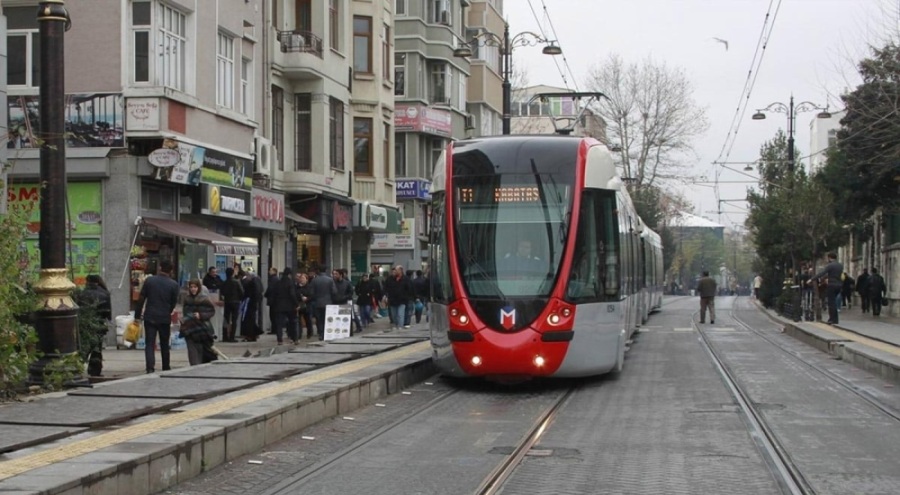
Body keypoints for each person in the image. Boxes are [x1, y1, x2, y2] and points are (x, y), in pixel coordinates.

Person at [134, 259, 180, 374]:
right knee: (164, 343)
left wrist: (137, 315)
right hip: (164, 317)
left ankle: (150, 368)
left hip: (150, 316)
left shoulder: (150, 281)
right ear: (171, 271)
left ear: (160, 268)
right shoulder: (173, 284)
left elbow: (141, 299)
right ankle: (166, 366)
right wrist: (168, 311)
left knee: (150, 343)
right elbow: (173, 302)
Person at [78, 274, 112, 377]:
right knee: (97, 348)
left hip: (84, 323)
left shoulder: (81, 294)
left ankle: (77, 366)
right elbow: (107, 312)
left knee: (84, 347)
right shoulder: (104, 293)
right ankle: (95, 370)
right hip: (98, 323)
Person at [180, 279, 217, 365]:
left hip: (202, 328)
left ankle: (199, 367)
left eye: (195, 287)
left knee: (202, 350)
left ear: (199, 288)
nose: (193, 289)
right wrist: (184, 319)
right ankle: (194, 366)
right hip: (189, 328)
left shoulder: (204, 299)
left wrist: (201, 315)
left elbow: (211, 311)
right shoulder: (187, 299)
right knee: (192, 350)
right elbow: (185, 311)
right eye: (191, 287)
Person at [808, 252, 843, 325]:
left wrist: (812, 279)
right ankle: (836, 319)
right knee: (834, 302)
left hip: (832, 285)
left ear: (829, 258)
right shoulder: (840, 265)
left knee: (831, 302)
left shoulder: (830, 265)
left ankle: (832, 319)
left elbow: (822, 273)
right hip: (839, 285)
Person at [271, 268, 300, 344]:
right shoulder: (290, 283)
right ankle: (295, 339)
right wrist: (296, 304)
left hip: (279, 306)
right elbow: (292, 294)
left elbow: (274, 295)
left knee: (279, 324)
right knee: (293, 322)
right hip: (290, 306)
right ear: (289, 274)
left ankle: (280, 340)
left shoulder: (278, 283)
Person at [309, 266, 336, 340]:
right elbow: (334, 291)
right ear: (325, 270)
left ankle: (321, 334)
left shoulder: (314, 280)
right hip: (328, 302)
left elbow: (311, 293)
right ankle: (327, 333)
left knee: (319, 319)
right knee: (326, 319)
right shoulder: (330, 280)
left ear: (318, 270)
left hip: (318, 302)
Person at [384, 265, 414, 330]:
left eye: (397, 270)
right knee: (394, 316)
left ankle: (400, 327)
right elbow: (386, 288)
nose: (395, 271)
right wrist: (386, 296)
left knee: (400, 314)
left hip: (402, 300)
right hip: (392, 300)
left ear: (400, 270)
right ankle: (396, 325)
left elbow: (409, 289)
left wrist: (407, 297)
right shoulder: (390, 279)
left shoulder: (405, 279)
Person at [219, 267, 244, 342]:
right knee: (234, 320)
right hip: (236, 302)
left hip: (227, 302)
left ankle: (225, 336)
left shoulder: (224, 283)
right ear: (233, 273)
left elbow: (222, 292)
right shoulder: (237, 282)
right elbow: (242, 292)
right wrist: (239, 298)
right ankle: (232, 337)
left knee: (226, 319)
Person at [240, 269, 264, 342]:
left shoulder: (251, 283)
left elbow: (249, 293)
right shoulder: (258, 281)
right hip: (254, 302)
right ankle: (253, 334)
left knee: (249, 319)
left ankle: (250, 335)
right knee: (252, 319)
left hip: (250, 302)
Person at [295, 272, 315, 339]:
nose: (302, 279)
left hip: (307, 305)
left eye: (303, 278)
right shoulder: (296, 287)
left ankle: (309, 333)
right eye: (301, 278)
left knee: (308, 320)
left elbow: (312, 295)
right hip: (299, 305)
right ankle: (299, 335)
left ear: (306, 279)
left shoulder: (309, 287)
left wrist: (307, 298)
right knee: (298, 321)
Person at [264, 267, 279, 334]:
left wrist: (266, 294)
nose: (269, 271)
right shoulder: (276, 279)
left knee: (273, 315)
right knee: (273, 315)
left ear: (274, 271)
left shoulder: (273, 279)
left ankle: (274, 330)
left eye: (270, 270)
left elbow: (270, 288)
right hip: (275, 300)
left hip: (273, 300)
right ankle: (274, 329)